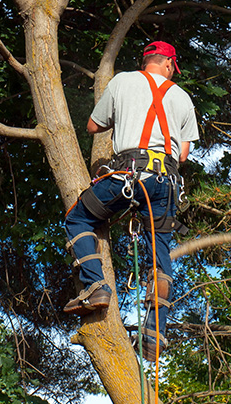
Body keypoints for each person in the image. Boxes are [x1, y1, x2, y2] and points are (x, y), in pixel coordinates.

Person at [63, 41, 199, 362]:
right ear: (168, 64)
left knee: (79, 218)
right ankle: (153, 336)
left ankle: (96, 287)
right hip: (165, 183)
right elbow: (182, 154)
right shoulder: (182, 97)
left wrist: (125, 118)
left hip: (128, 175)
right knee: (159, 258)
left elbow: (93, 125)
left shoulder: (122, 81)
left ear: (148, 61)